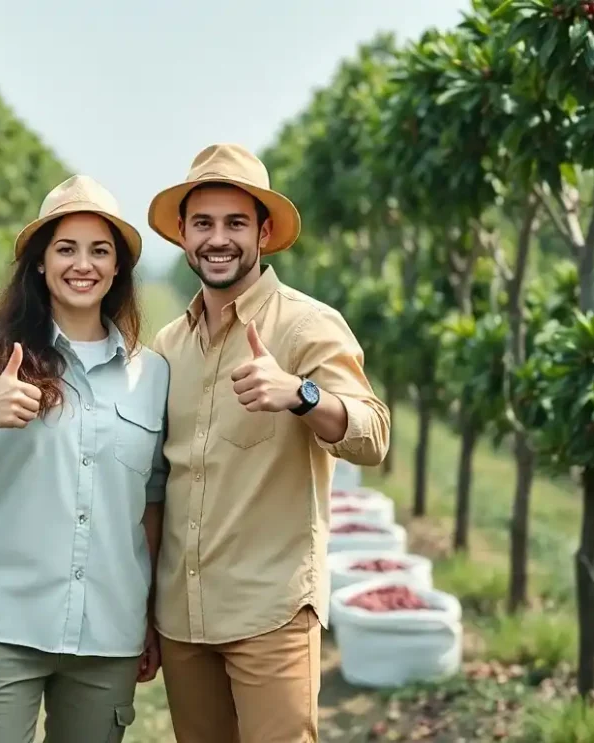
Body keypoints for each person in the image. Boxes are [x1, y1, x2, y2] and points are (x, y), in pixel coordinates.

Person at [0, 174, 168, 743]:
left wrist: (149, 615)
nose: (83, 264)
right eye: (66, 249)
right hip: (3, 625)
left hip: (107, 633)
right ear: (40, 263)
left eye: (100, 251)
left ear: (118, 268)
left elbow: (150, 506)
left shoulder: (151, 375)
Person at [146, 143, 391, 742]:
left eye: (236, 223)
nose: (218, 239)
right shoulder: (167, 346)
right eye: (203, 223)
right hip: (183, 617)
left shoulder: (306, 325)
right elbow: (157, 480)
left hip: (270, 614)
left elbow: (373, 435)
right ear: (183, 234)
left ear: (263, 232)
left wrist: (301, 394)